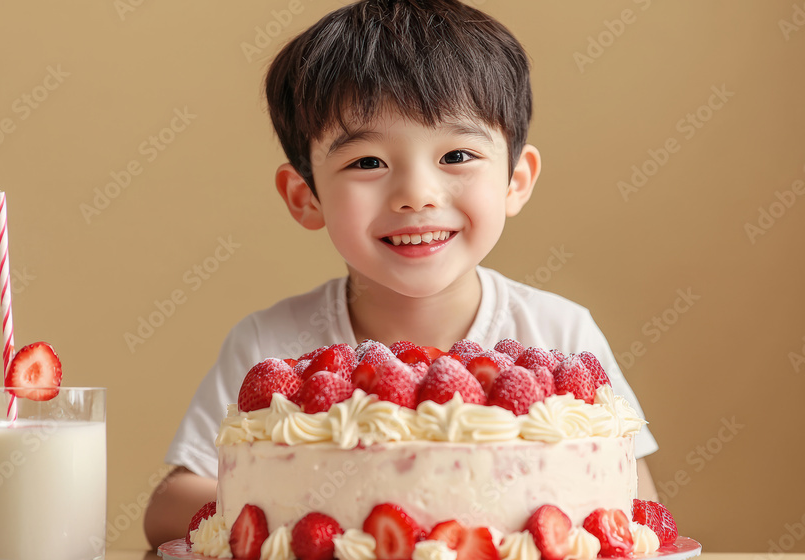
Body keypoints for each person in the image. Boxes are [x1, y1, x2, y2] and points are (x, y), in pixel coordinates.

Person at [144, 0, 659, 548]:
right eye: (368, 163)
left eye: (457, 155)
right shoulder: (270, 345)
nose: (416, 195)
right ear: (305, 197)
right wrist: (336, 512)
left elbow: (634, 505)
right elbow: (166, 510)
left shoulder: (559, 334)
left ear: (516, 180)